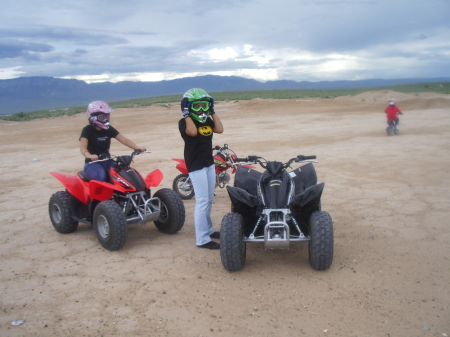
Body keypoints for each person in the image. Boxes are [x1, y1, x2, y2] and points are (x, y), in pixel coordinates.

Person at [178, 88, 224, 249]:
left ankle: (209, 230)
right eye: (196, 106)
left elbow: (219, 129)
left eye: (203, 106)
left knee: (209, 199)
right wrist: (186, 114)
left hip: (208, 163)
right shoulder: (184, 122)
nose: (200, 109)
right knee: (202, 201)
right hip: (196, 165)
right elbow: (191, 132)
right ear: (188, 106)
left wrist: (213, 111)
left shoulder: (207, 121)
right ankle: (202, 239)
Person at [79, 101, 146, 182]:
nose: (106, 119)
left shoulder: (108, 129)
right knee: (101, 176)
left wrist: (137, 148)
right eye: (102, 117)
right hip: (92, 163)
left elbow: (124, 139)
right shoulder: (87, 130)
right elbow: (83, 146)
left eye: (107, 117)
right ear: (93, 118)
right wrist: (88, 155)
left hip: (108, 161)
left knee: (121, 174)